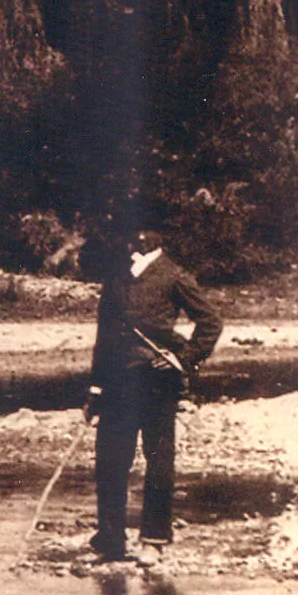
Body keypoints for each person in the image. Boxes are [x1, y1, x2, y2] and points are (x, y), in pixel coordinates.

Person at [84, 211, 223, 565]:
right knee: (111, 461)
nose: (140, 237)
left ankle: (154, 540)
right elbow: (104, 335)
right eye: (136, 230)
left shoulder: (175, 275)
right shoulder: (116, 275)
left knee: (159, 461)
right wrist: (96, 389)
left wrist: (182, 360)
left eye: (148, 230)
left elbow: (211, 322)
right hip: (116, 382)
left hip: (158, 382)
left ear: (160, 236)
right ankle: (111, 537)